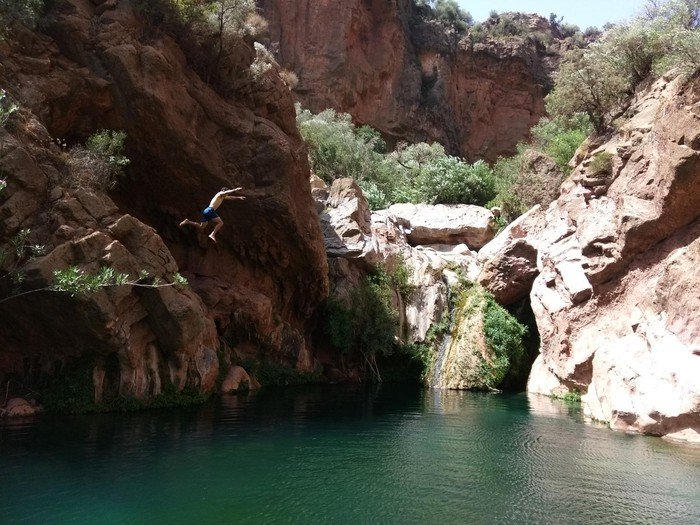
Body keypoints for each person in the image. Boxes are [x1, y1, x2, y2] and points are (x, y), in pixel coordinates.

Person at [179, 187, 245, 242]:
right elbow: (225, 193)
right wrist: (235, 189)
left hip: (206, 211)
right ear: (224, 191)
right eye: (226, 193)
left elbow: (230, 197)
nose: (226, 195)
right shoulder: (219, 194)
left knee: (201, 227)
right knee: (221, 223)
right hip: (210, 210)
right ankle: (212, 234)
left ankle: (187, 221)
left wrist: (238, 197)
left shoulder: (222, 197)